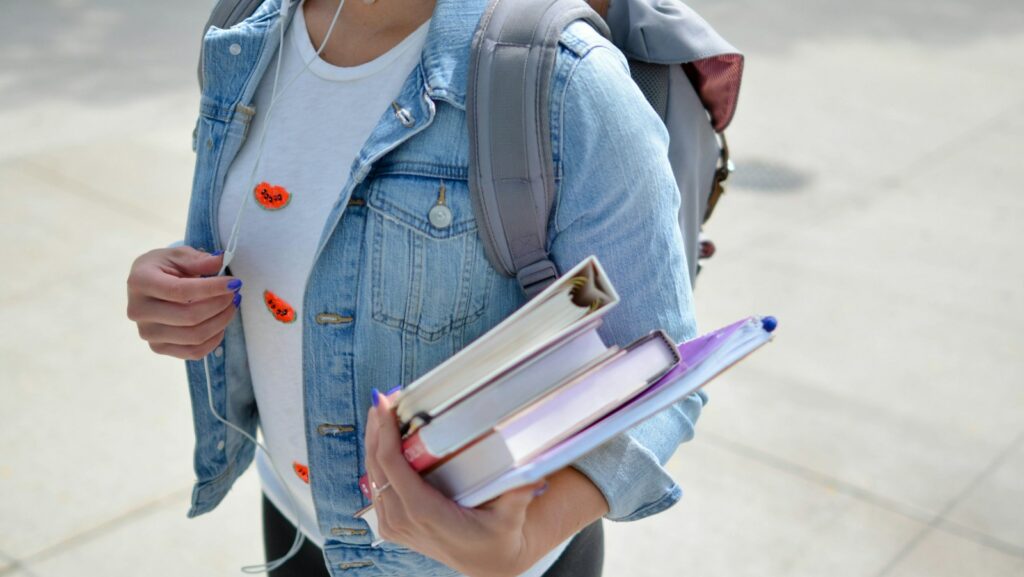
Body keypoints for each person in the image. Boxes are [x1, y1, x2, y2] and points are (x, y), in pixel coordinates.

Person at [125, 0, 706, 575]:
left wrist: (526, 539)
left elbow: (660, 367)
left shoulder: (566, 78)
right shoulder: (246, 28)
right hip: (294, 521)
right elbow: (262, 246)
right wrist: (174, 295)